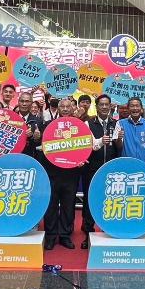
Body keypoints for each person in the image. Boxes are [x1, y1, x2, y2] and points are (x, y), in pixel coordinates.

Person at [42, 98, 82, 251]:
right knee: (51, 205)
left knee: (68, 205)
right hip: (51, 172)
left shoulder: (79, 126)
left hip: (71, 173)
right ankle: (51, 236)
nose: (65, 109)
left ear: (72, 108)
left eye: (68, 106)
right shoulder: (48, 125)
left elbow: (84, 147)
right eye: (62, 107)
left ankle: (65, 235)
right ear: (57, 109)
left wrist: (81, 158)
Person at [81, 94, 118, 249]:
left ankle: (106, 230)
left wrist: (119, 139)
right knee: (90, 200)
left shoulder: (116, 124)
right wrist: (101, 142)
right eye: (101, 104)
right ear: (96, 106)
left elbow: (119, 146)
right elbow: (88, 145)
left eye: (106, 104)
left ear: (110, 106)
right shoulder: (88, 123)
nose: (104, 107)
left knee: (108, 199)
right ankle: (87, 233)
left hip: (110, 169)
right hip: (92, 168)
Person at [16, 92, 43, 158]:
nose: (24, 104)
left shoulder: (38, 121)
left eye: (27, 101)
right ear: (18, 102)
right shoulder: (10, 118)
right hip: (10, 156)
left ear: (31, 103)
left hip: (28, 157)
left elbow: (39, 145)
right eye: (22, 101)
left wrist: (37, 138)